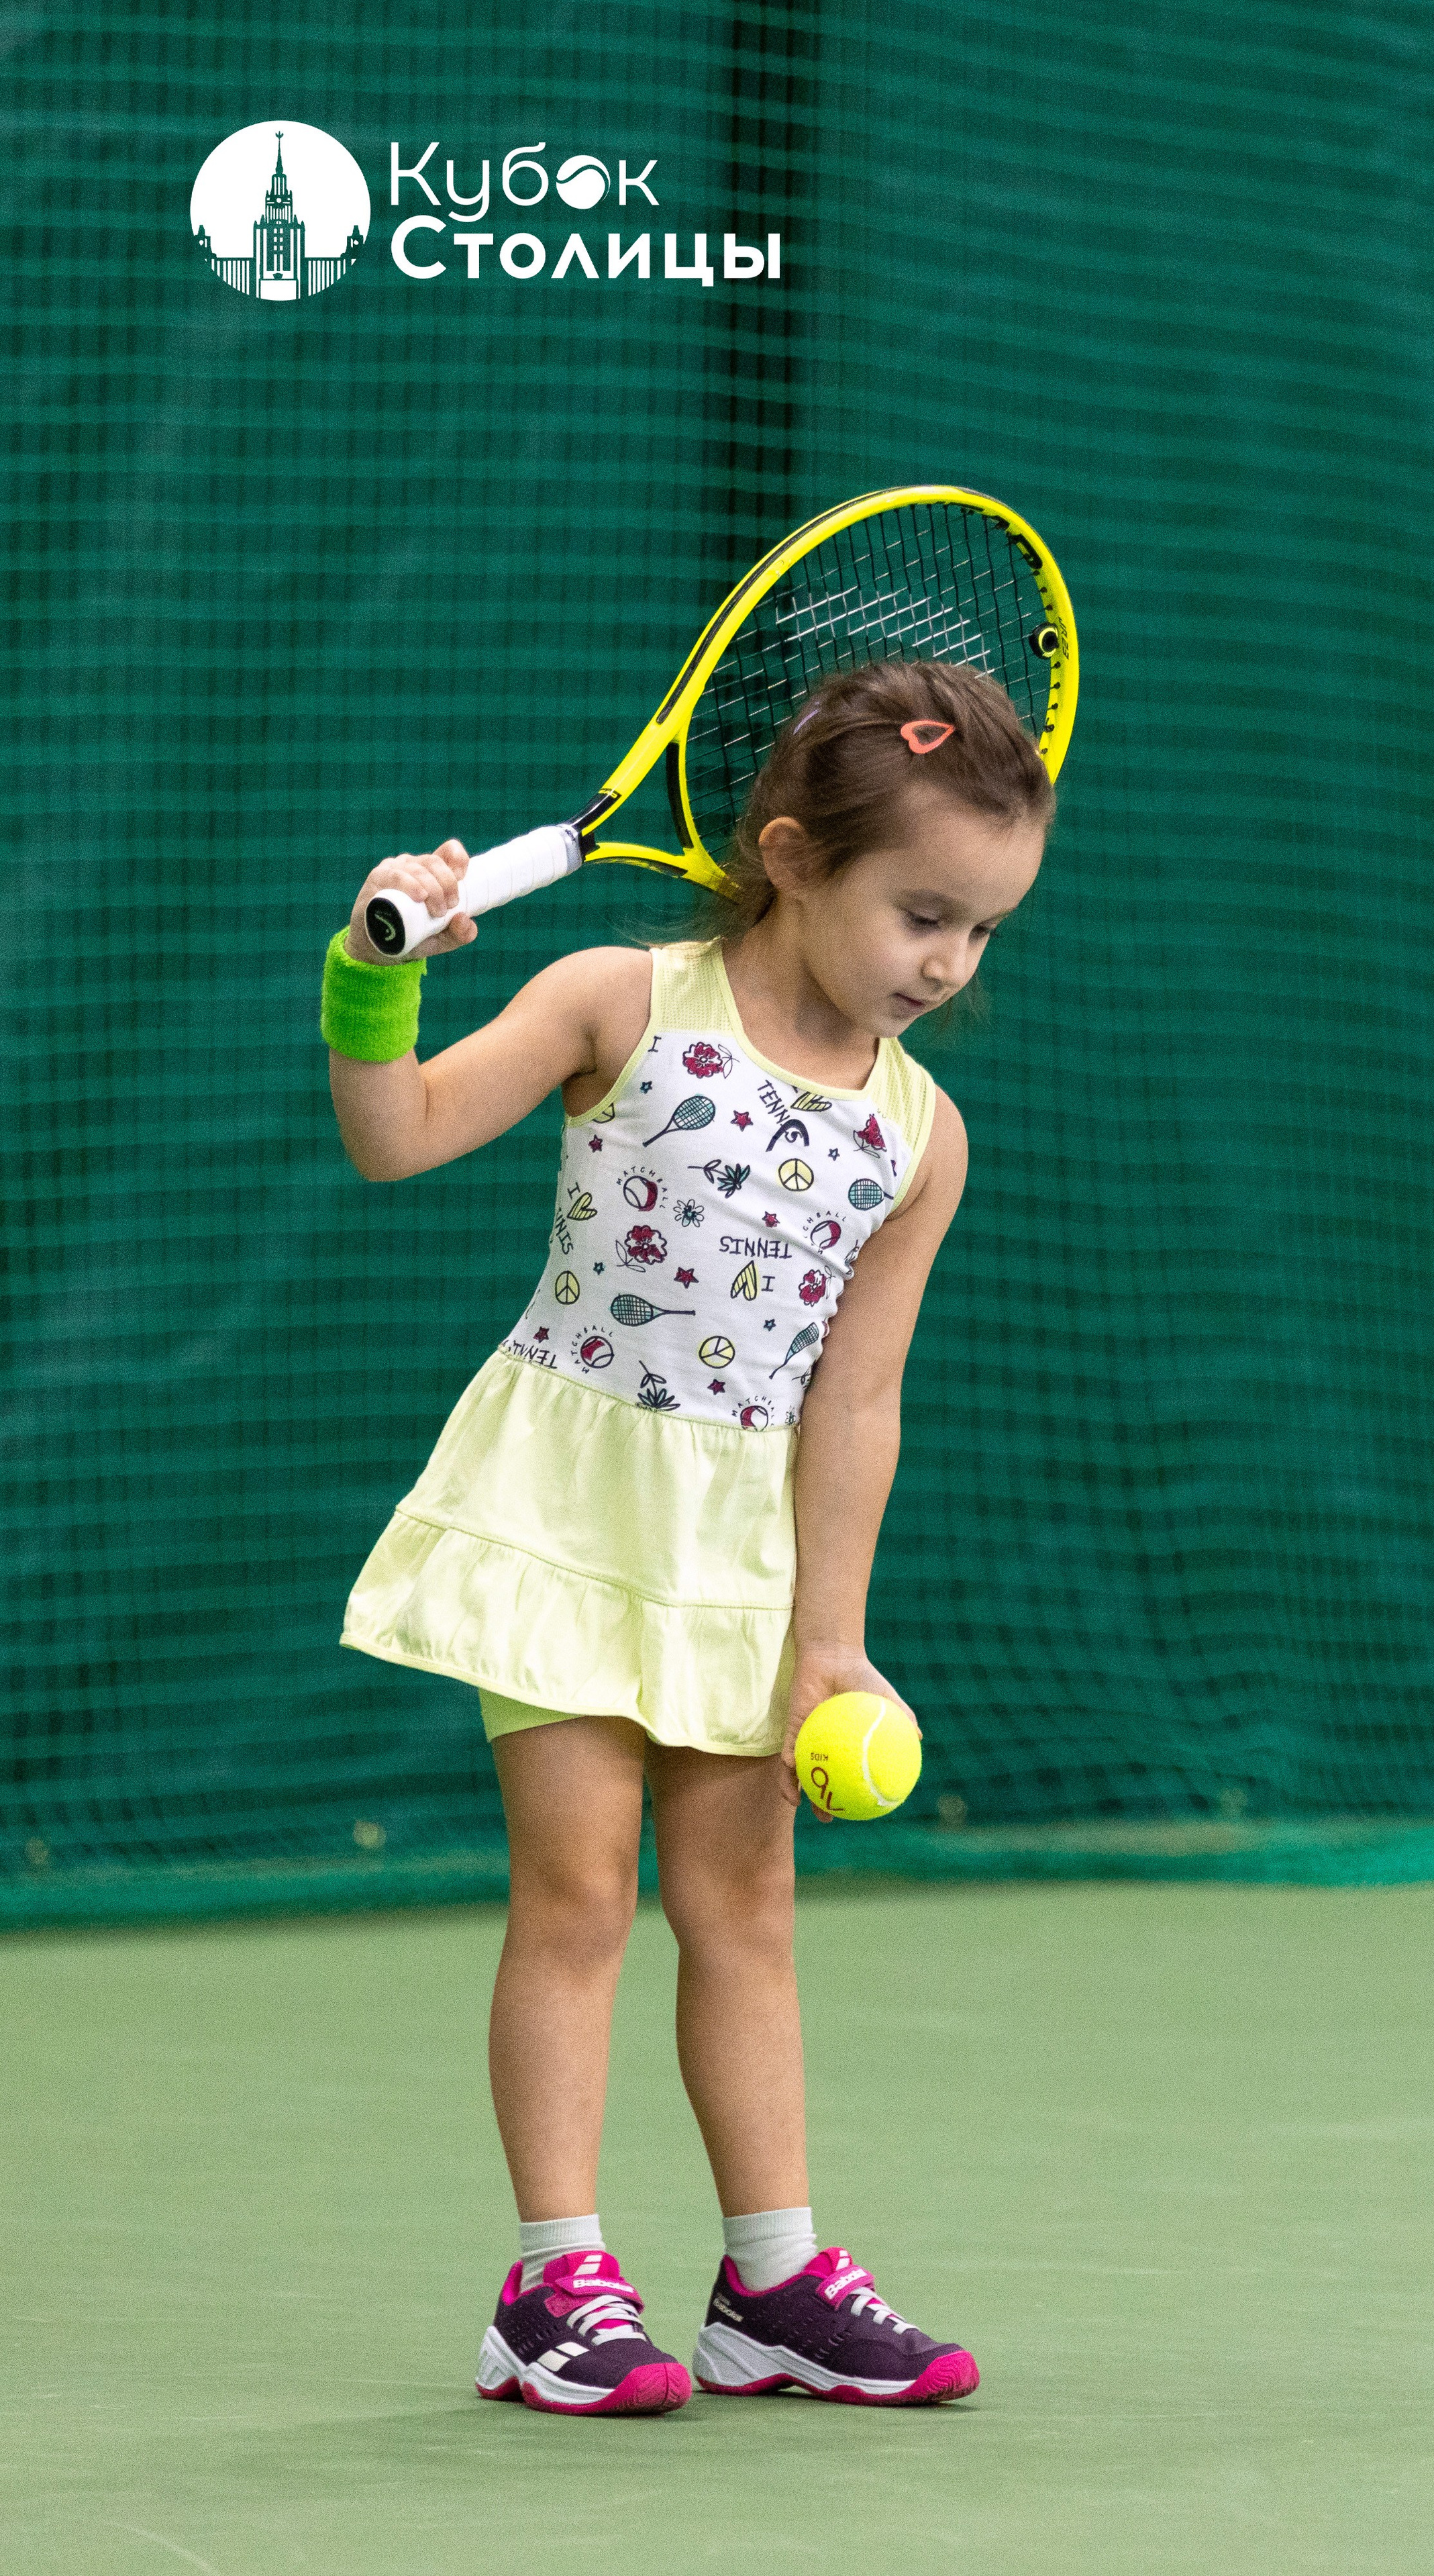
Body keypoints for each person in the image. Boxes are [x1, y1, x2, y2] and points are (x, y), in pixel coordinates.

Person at [322, 656, 1054, 2414]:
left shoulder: (918, 1135)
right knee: (578, 1895)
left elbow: (857, 1402)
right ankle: (552, 2286)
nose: (947, 964)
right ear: (793, 855)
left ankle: (776, 2283)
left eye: (981, 932)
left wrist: (831, 1637)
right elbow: (398, 1137)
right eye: (923, 914)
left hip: (750, 1546)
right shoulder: (616, 999)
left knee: (747, 1906)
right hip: (563, 1504)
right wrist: (370, 979)